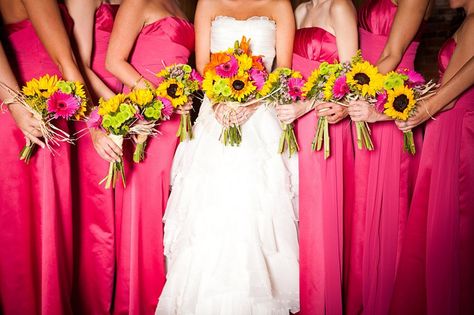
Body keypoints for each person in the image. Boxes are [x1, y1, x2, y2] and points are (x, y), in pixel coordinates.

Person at [156, 0, 299, 313]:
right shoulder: (208, 3)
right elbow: (201, 66)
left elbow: (284, 70)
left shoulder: (279, 5)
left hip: (261, 112)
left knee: (256, 204)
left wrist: (251, 104)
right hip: (215, 110)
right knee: (210, 205)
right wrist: (221, 102)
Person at [0, 0, 91, 313]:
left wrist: (11, 101)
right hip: (41, 112)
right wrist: (96, 124)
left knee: (20, 224)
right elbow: (64, 59)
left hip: (23, 107)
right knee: (41, 223)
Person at [105, 0, 194, 313]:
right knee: (146, 209)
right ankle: (141, 301)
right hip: (148, 116)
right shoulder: (137, 2)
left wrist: (183, 98)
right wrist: (160, 98)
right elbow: (114, 61)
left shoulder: (180, 6)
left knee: (172, 207)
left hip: (175, 121)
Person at [344, 1, 431, 314]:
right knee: (361, 205)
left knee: (384, 210)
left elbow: (392, 55)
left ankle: (383, 299)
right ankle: (358, 293)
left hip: (384, 98)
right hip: (365, 102)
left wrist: (346, 91)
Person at [390, 1, 474, 313]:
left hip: (456, 127)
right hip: (448, 123)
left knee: (451, 222)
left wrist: (420, 109)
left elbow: (448, 96)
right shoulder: (466, 22)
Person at [276, 0, 357, 314]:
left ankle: (320, 301)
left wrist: (306, 105)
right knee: (296, 208)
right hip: (293, 118)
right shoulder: (299, 10)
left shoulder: (340, 7)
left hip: (322, 119)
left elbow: (350, 76)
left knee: (318, 213)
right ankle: (299, 295)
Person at [65, 0, 122, 313]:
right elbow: (77, 64)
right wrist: (113, 109)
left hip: (125, 113)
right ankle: (94, 304)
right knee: (99, 218)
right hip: (96, 113)